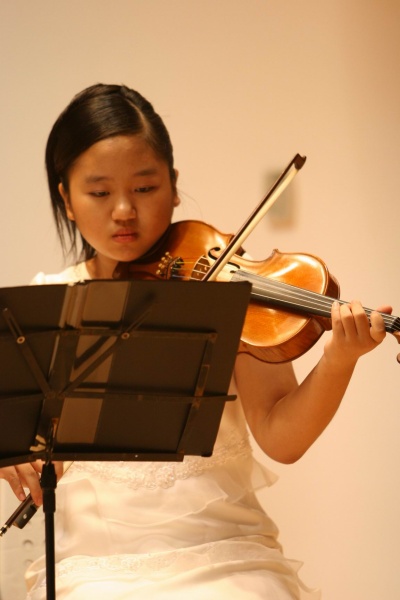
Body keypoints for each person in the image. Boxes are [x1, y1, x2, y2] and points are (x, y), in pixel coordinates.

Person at [0, 83, 392, 600]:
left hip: (226, 551)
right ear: (66, 200)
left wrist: (339, 359)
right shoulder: (46, 304)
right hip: (96, 563)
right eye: (99, 193)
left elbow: (282, 438)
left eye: (145, 187)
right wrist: (10, 450)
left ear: (174, 186)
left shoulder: (226, 286)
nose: (124, 210)